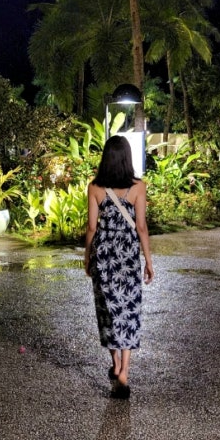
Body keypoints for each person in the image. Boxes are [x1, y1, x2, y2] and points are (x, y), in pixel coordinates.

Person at [84, 135, 154, 399]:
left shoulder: (95, 187)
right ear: (127, 157)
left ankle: (114, 363)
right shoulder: (138, 187)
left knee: (108, 311)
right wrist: (148, 261)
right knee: (128, 310)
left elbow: (92, 227)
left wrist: (87, 257)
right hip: (127, 257)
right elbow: (141, 227)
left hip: (104, 256)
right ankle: (124, 370)